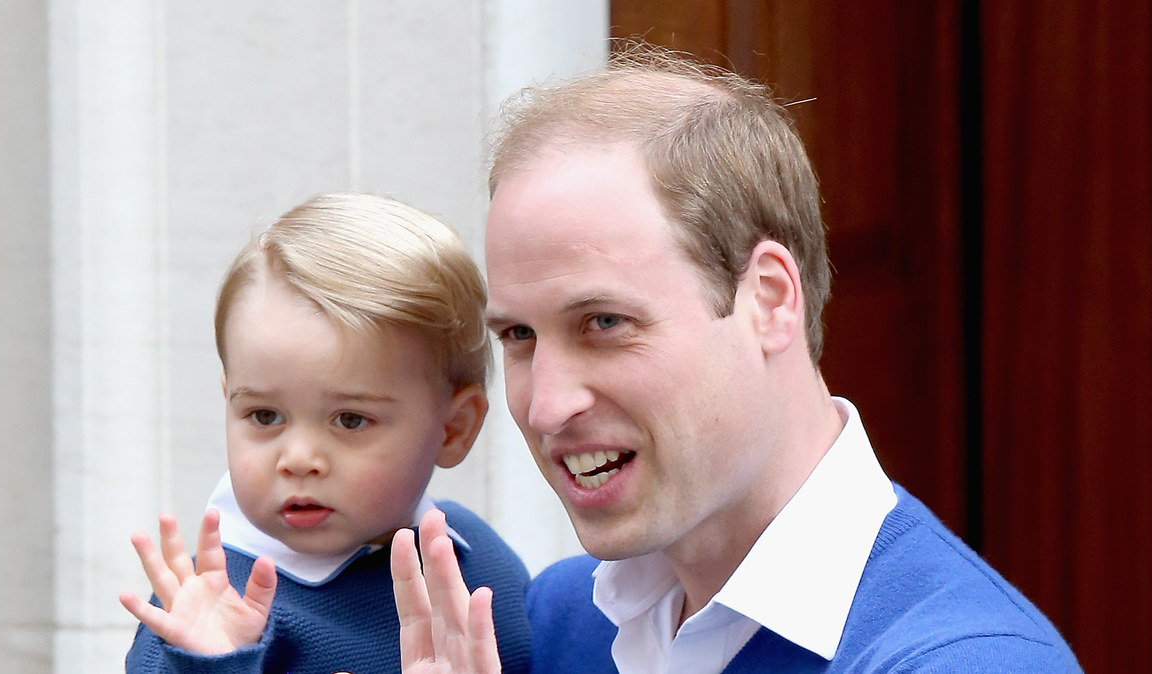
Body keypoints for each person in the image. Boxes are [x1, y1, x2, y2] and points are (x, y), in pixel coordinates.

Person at [391, 43, 1083, 672]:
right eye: (519, 338)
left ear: (771, 299)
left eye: (604, 322)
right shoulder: (553, 622)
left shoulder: (970, 660)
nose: (546, 405)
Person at [119, 193, 533, 673]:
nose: (297, 458)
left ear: (453, 429)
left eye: (350, 420)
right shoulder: (201, 618)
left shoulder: (479, 564)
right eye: (264, 416)